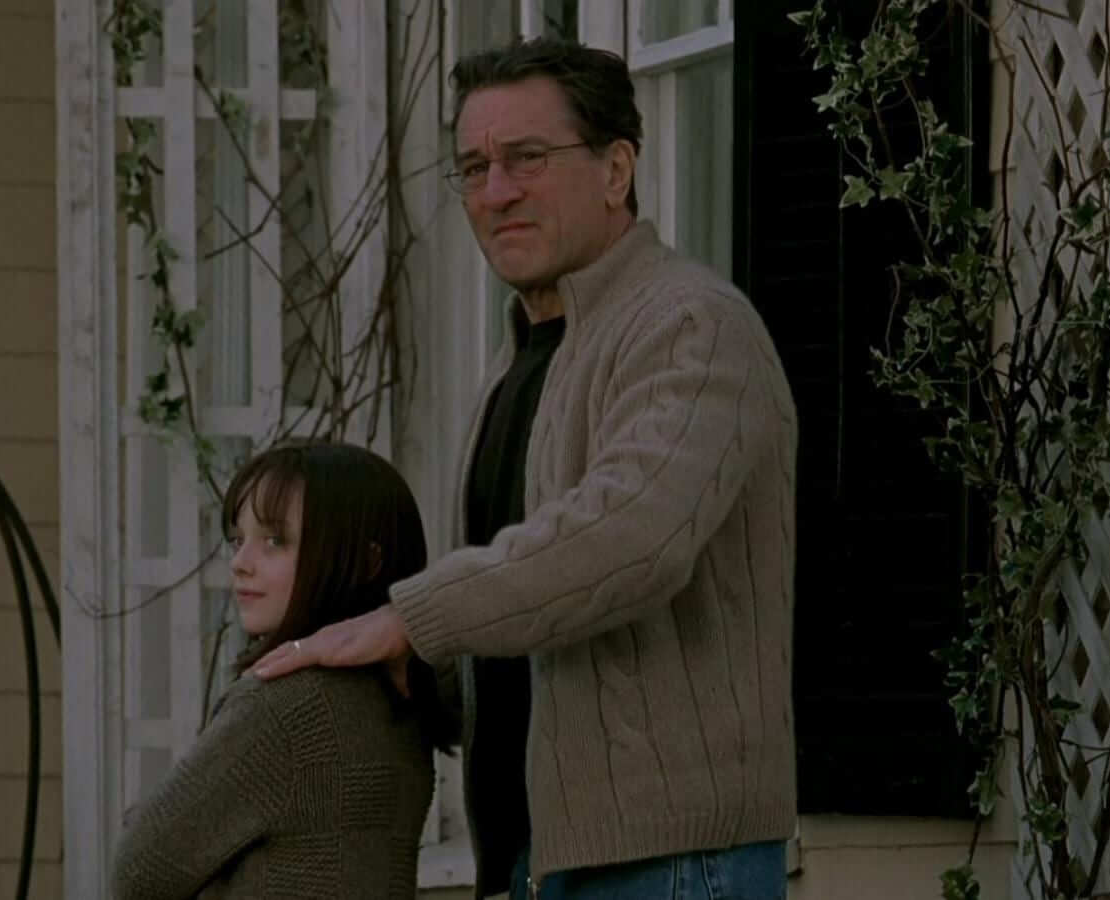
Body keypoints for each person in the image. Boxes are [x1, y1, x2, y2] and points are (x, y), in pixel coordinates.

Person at [253, 37, 799, 900]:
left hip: (673, 861)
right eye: (474, 167)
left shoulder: (692, 325)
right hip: (539, 860)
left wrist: (411, 618)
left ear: (616, 169)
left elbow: (630, 539)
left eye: (526, 159)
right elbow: (525, 631)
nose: (496, 191)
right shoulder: (520, 362)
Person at [111, 442, 451, 899]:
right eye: (238, 540)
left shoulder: (284, 706)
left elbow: (140, 869)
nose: (240, 563)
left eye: (274, 541)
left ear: (365, 561)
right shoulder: (399, 694)